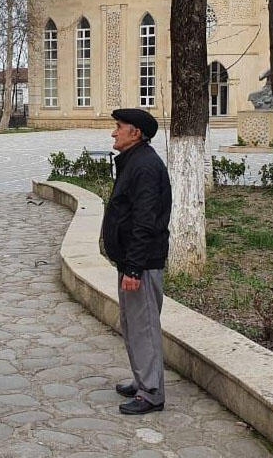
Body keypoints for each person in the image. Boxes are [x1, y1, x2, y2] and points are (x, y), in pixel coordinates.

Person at [101, 108, 171, 415]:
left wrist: (133, 267)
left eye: (119, 127)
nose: (114, 132)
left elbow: (145, 221)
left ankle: (152, 392)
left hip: (140, 263)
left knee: (144, 326)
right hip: (131, 260)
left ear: (136, 133)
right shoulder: (134, 161)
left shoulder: (145, 167)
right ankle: (143, 378)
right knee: (132, 324)